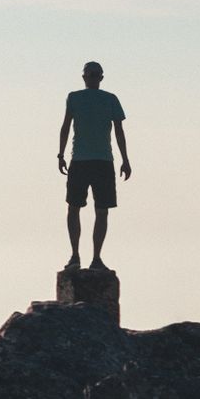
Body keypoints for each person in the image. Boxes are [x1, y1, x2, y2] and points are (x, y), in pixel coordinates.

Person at [58, 62, 132, 273]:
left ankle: (96, 257)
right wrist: (60, 154)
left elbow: (119, 132)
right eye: (90, 74)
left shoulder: (110, 99)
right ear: (84, 77)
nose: (93, 78)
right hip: (80, 160)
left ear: (101, 78)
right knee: (74, 207)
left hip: (103, 161)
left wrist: (125, 159)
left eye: (96, 75)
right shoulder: (74, 98)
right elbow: (65, 126)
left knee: (102, 210)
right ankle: (75, 255)